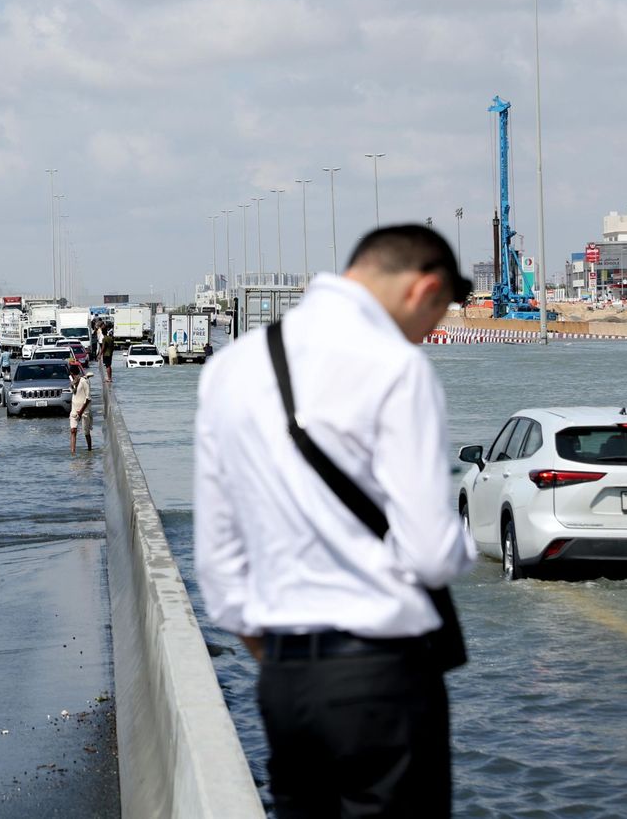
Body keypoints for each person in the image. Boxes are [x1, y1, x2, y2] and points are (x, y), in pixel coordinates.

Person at [193, 224, 476, 817]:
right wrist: (464, 547)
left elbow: (218, 565)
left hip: (284, 682)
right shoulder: (396, 367)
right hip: (382, 675)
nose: (429, 334)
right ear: (425, 288)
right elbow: (429, 555)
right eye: (437, 316)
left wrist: (282, 654)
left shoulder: (231, 368)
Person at [68, 363, 93, 454]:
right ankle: (73, 452)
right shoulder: (73, 383)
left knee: (86, 432)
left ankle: (89, 450)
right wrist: (72, 385)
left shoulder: (83, 381)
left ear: (72, 373)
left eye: (71, 373)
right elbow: (74, 393)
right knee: (73, 430)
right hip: (74, 409)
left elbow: (88, 398)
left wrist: (81, 411)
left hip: (84, 410)